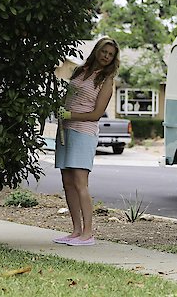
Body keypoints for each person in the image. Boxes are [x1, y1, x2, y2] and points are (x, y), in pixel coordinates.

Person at [53, 37, 120, 246]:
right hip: (65, 130)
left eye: (110, 55)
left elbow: (96, 114)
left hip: (84, 132)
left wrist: (69, 115)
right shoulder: (80, 71)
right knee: (67, 182)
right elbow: (68, 98)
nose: (106, 57)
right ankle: (76, 231)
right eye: (104, 52)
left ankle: (88, 234)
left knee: (81, 184)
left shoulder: (106, 80)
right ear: (97, 50)